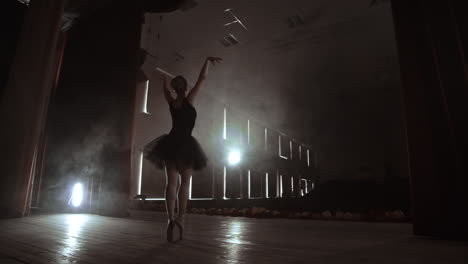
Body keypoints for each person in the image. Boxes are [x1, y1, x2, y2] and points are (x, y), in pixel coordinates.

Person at [144, 56, 222, 242]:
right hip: (186, 144)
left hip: (171, 143)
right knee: (185, 184)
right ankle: (180, 219)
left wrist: (163, 81)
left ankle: (170, 219)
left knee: (171, 183)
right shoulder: (189, 100)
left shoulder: (172, 103)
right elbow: (202, 79)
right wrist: (207, 61)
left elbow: (165, 92)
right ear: (185, 87)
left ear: (174, 88)